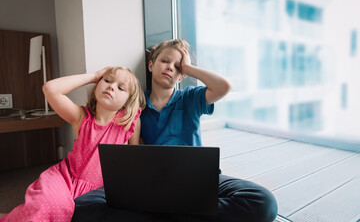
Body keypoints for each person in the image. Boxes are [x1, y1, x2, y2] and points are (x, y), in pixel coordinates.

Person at [73, 39, 278, 222]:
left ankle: (164, 213)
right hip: (152, 183)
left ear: (181, 77)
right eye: (165, 61)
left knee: (263, 202)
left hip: (199, 179)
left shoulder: (190, 97)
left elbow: (224, 87)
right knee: (81, 206)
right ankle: (179, 212)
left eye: (177, 66)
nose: (170, 67)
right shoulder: (135, 105)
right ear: (151, 65)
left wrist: (188, 68)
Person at [0, 66, 145, 222]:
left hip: (99, 188)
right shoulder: (81, 117)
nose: (111, 86)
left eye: (121, 87)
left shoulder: (130, 123)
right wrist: (93, 76)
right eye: (107, 80)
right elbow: (50, 89)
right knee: (48, 206)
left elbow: (133, 158)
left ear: (127, 102)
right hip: (65, 177)